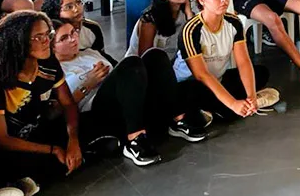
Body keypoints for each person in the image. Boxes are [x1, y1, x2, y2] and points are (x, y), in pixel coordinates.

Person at [51, 16, 205, 167]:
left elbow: (123, 69)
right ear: (52, 46)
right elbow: (57, 110)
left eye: (73, 33)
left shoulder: (91, 52)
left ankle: (177, 119)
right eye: (64, 38)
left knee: (155, 55)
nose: (73, 39)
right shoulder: (56, 71)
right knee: (131, 63)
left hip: (129, 100)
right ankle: (134, 139)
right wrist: (87, 84)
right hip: (98, 111)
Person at [0, 12, 83, 187]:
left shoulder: (48, 63)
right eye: (38, 37)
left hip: (35, 132)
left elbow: (68, 104)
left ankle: (21, 184)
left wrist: (73, 139)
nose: (46, 41)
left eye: (48, 35)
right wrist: (52, 150)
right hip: (3, 145)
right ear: (18, 42)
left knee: (73, 144)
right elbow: (0, 138)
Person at [178, 0, 272, 119]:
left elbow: (243, 62)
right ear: (202, 0)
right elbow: (201, 75)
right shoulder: (191, 30)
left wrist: (251, 95)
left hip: (219, 79)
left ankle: (238, 105)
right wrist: (233, 103)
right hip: (194, 85)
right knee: (190, 93)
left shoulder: (233, 22)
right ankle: (225, 109)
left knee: (261, 72)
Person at [125, 0, 192, 60]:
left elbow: (193, 41)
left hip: (171, 65)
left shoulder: (184, 13)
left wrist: (189, 12)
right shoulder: (150, 20)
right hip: (144, 68)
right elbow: (145, 57)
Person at [39, 0, 113, 63]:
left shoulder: (92, 28)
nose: (77, 9)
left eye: (78, 2)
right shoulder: (48, 35)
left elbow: (99, 55)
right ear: (55, 12)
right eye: (69, 7)